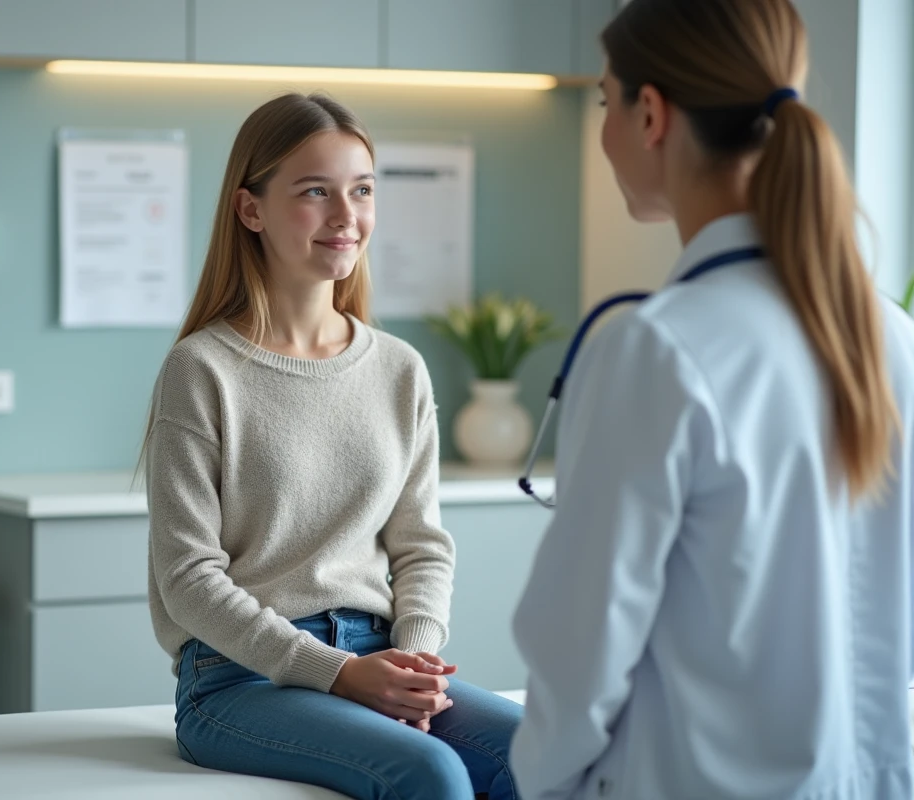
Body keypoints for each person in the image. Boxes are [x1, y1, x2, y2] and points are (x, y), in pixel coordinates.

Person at [509, 1, 914, 798]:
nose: (605, 127)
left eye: (604, 101)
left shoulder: (658, 349)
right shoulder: (890, 337)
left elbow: (579, 654)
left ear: (650, 113)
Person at [144, 92, 524, 800]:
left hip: (380, 651)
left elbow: (421, 545)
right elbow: (189, 579)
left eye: (362, 191)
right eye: (315, 192)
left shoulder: (398, 367)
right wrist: (339, 673)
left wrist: (413, 658)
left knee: (548, 752)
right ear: (251, 209)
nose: (347, 217)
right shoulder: (201, 370)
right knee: (431, 770)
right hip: (235, 678)